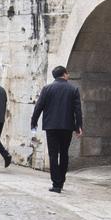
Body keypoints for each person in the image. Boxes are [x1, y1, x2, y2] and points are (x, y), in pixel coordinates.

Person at [29, 64, 83, 192]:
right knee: (64, 153)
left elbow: (39, 106)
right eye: (67, 73)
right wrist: (78, 127)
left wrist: (34, 122)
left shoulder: (47, 89)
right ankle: (61, 180)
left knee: (53, 154)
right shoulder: (73, 89)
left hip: (51, 126)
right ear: (64, 74)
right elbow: (77, 110)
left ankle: (56, 183)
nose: (68, 75)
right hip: (67, 126)